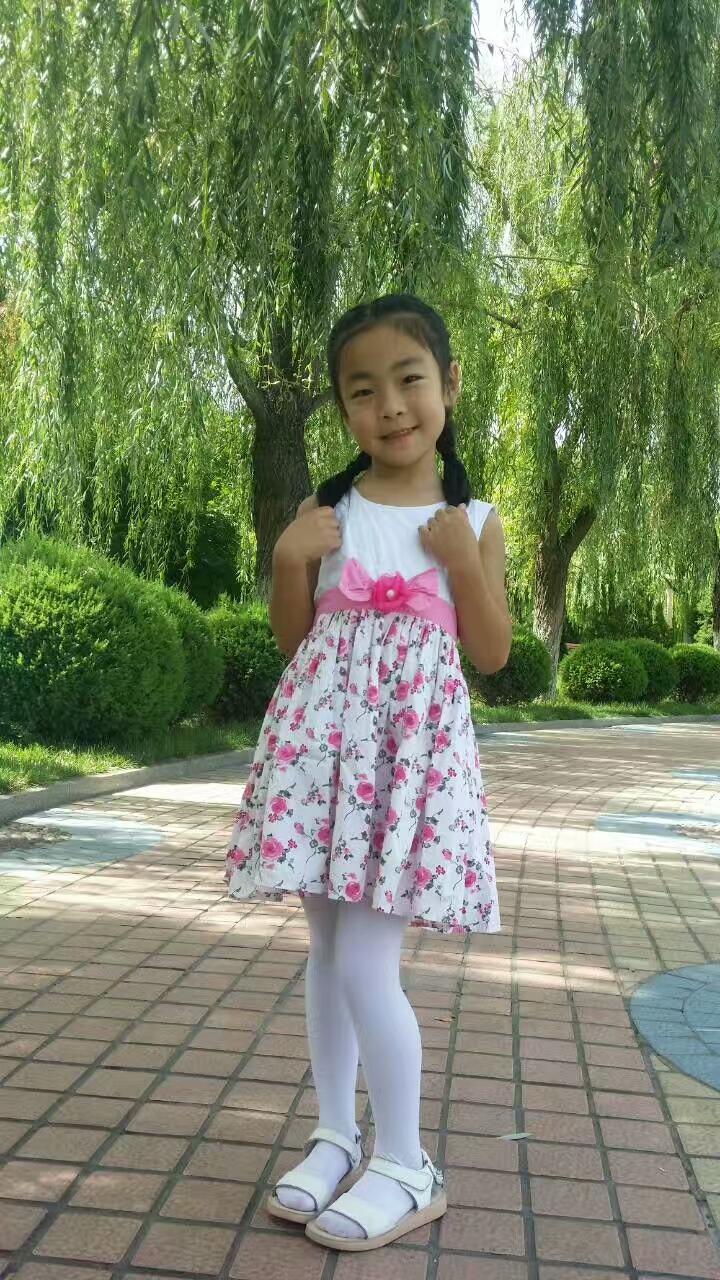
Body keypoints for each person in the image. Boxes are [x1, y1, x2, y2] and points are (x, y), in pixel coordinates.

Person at [225, 293, 511, 1253]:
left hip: (405, 768)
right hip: (321, 759)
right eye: (362, 390)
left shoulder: (472, 519)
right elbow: (295, 640)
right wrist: (287, 561)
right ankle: (336, 1136)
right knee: (325, 952)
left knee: (363, 961)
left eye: (409, 379)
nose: (390, 405)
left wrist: (461, 562)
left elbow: (493, 652)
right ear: (343, 407)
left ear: (449, 385)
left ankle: (407, 1160)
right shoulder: (328, 513)